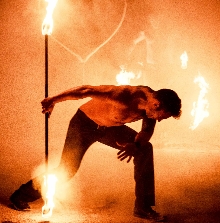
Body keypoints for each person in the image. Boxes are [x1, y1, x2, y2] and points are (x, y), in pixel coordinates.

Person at [10, 85, 181, 222]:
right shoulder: (124, 95)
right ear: (156, 105)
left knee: (145, 149)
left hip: (110, 129)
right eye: (161, 116)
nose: (158, 119)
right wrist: (53, 99)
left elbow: (147, 131)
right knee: (68, 169)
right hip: (84, 125)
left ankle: (143, 208)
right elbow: (86, 90)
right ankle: (20, 196)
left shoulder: (152, 106)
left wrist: (135, 145)